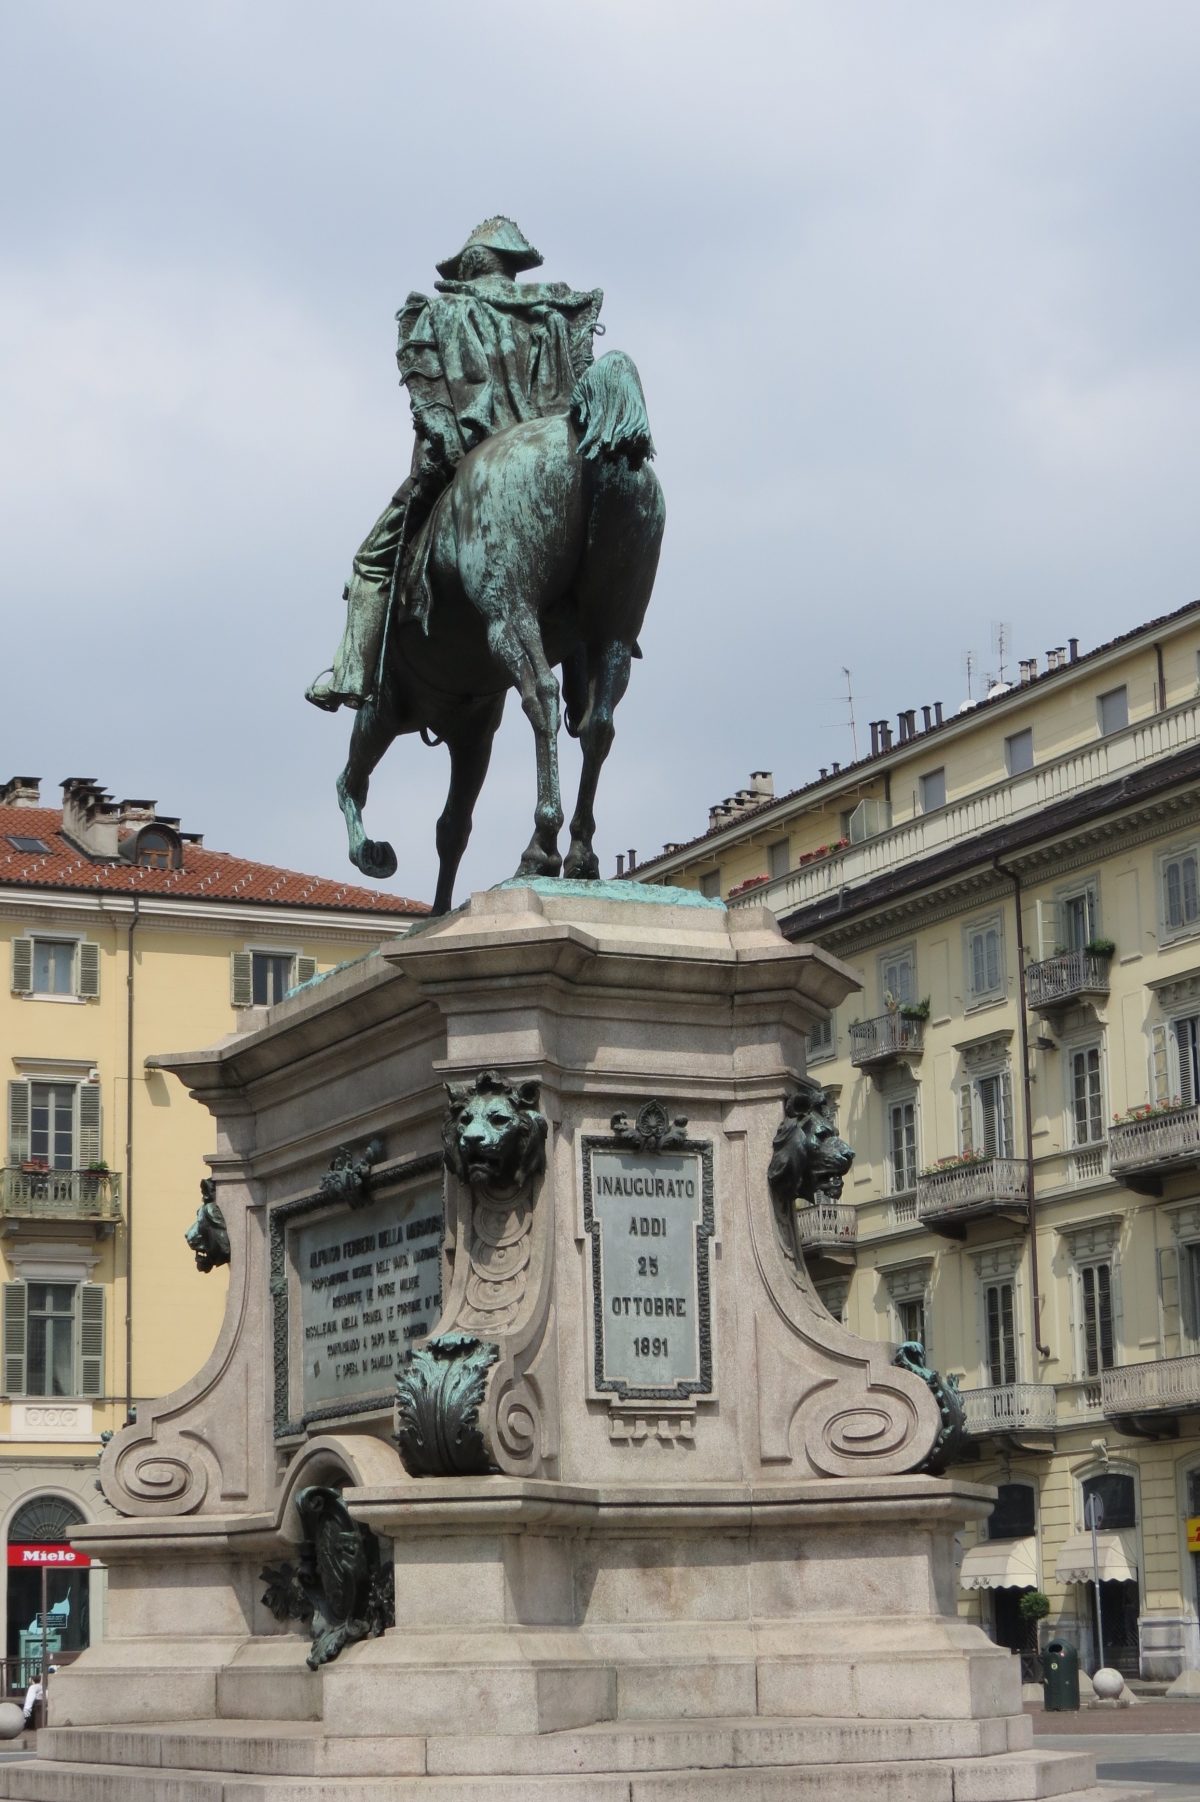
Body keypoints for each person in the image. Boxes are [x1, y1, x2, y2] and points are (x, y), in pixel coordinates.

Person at [306, 217, 604, 713]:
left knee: (371, 559)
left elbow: (431, 409)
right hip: (559, 469)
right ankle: (581, 659)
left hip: (465, 459)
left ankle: (351, 674)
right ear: (512, 267)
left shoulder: (437, 312)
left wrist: (446, 453)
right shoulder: (553, 314)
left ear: (470, 264)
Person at [21, 1663, 56, 1731]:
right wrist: (42, 1678)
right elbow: (42, 1683)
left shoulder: (60, 1670)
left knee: (42, 1694)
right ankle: (26, 1713)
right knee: (33, 1687)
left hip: (53, 1691)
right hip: (44, 1690)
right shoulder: (48, 1669)